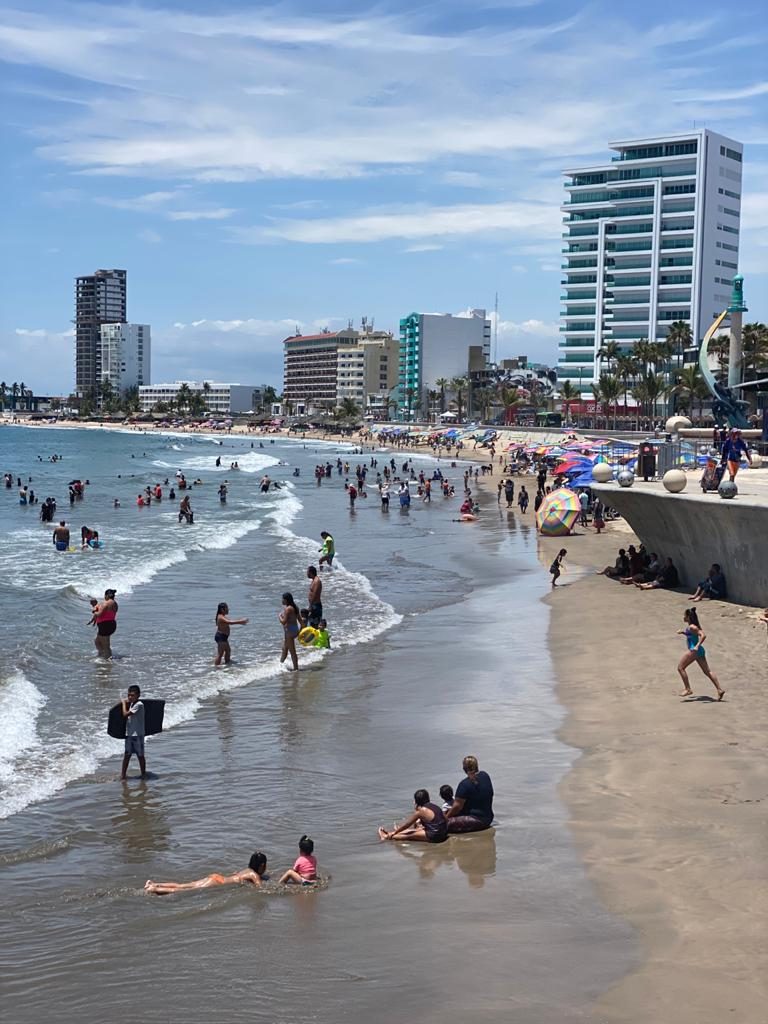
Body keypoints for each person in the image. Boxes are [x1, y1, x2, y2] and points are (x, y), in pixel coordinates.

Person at [145, 852, 268, 895]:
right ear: (262, 865)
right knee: (184, 890)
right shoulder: (254, 875)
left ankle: (154, 884)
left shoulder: (246, 870)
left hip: (216, 877)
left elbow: (236, 875)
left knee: (183, 885)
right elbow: (260, 888)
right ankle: (154, 889)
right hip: (218, 882)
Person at [677, 608, 725, 700]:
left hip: (694, 651)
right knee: (707, 671)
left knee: (680, 668)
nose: (683, 617)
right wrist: (683, 632)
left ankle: (688, 689)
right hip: (699, 651)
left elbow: (703, 635)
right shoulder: (691, 627)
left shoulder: (692, 627)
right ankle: (719, 689)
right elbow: (692, 635)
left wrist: (697, 645)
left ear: (688, 617)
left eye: (685, 616)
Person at [444, 756, 494, 834]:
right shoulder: (485, 775)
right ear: (477, 765)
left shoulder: (464, 784)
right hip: (489, 817)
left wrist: (446, 818)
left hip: (477, 820)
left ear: (464, 768)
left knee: (441, 825)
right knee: (445, 813)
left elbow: (457, 807)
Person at [378, 789, 448, 844]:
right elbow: (446, 819)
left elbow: (407, 824)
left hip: (436, 836)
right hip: (444, 833)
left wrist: (395, 832)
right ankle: (394, 832)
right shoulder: (435, 806)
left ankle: (387, 836)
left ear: (416, 801)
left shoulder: (420, 811)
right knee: (414, 831)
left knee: (409, 835)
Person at [121, 684, 147, 779]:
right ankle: (123, 776)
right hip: (129, 734)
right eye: (128, 695)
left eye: (132, 695)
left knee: (140, 756)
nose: (130, 697)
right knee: (127, 755)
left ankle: (143, 774)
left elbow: (125, 714)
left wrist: (123, 704)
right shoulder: (132, 704)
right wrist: (127, 702)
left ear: (138, 695)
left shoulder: (139, 705)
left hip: (137, 735)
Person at [214, 602, 249, 666]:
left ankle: (227, 664)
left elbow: (230, 621)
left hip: (223, 637)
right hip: (221, 637)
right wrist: (241, 621)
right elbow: (230, 622)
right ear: (222, 609)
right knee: (220, 654)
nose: (228, 609)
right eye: (227, 608)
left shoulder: (223, 616)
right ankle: (216, 668)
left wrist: (240, 622)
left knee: (228, 651)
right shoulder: (220, 617)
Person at [93, 589, 118, 658]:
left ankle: (108, 660)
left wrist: (94, 611)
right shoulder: (115, 603)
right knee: (97, 641)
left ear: (106, 595)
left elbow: (99, 614)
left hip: (105, 625)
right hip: (111, 624)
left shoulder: (106, 603)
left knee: (106, 645)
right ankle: (102, 655)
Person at [279, 592, 300, 671]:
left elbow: (283, 622)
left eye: (283, 599)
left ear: (286, 600)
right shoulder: (295, 607)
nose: (282, 600)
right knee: (284, 649)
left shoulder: (288, 609)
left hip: (289, 632)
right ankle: (280, 665)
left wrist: (279, 616)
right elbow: (300, 620)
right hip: (295, 629)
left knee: (292, 652)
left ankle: (296, 669)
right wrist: (301, 631)